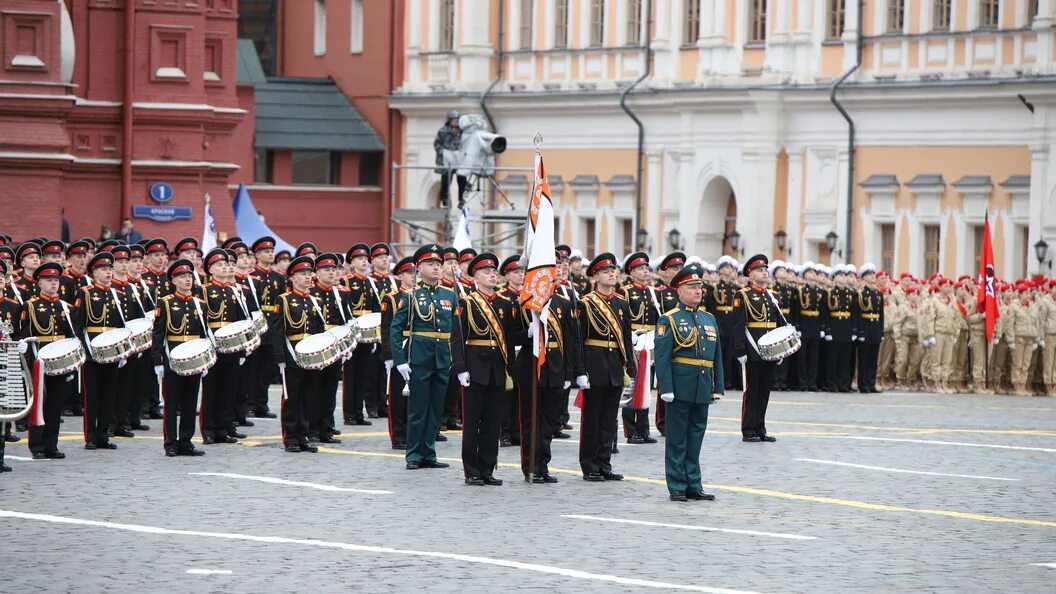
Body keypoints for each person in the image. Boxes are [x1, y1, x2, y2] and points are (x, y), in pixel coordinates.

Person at [390, 244, 465, 470]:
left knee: (435, 409)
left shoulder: (450, 295)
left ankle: (429, 453)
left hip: (442, 358)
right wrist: (400, 360)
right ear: (419, 268)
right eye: (430, 264)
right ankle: (413, 454)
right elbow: (395, 329)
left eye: (438, 264)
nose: (436, 267)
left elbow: (456, 330)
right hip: (420, 358)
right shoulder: (411, 295)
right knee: (418, 409)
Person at [654, 263, 722, 502]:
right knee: (677, 439)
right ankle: (677, 484)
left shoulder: (709, 319)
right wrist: (666, 387)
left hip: (701, 387)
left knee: (696, 437)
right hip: (679, 386)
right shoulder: (669, 319)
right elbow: (662, 357)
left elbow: (716, 357)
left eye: (699, 287)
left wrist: (717, 387)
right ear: (679, 291)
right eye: (691, 287)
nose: (697, 291)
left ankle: (694, 483)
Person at [458, 252, 517, 486]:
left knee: (493, 422)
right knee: (472, 422)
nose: (492, 275)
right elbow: (458, 336)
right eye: (486, 272)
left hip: (498, 368)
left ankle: (488, 467)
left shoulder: (504, 304)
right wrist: (460, 366)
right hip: (475, 366)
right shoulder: (467, 302)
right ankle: (472, 469)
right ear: (475, 277)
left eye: (494, 271)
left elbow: (510, 339)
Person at [577, 253, 635, 482]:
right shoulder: (586, 303)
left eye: (614, 270)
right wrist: (580, 369)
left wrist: (629, 363)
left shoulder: (621, 304)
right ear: (595, 276)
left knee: (610, 419)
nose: (611, 274)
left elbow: (626, 337)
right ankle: (589, 464)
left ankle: (604, 463)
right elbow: (579, 339)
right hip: (594, 363)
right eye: (605, 271)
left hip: (614, 366)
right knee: (592, 418)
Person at [18, 262, 77, 460]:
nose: (53, 283)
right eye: (48, 280)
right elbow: (25, 336)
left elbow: (71, 336)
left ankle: (52, 445)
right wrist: (30, 363)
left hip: (59, 361)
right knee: (39, 404)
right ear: (39, 283)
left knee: (55, 404)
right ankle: (37, 445)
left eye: (55, 280)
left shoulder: (65, 307)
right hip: (40, 360)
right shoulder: (31, 306)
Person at [152, 259, 208, 457]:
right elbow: (158, 334)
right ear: (173, 280)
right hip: (172, 358)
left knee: (190, 402)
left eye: (189, 276)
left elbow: (204, 334)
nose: (187, 280)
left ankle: (186, 441)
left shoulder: (199, 304)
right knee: (172, 403)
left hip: (194, 357)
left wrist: (206, 358)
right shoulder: (165, 303)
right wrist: (158, 361)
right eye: (182, 276)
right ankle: (170, 443)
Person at [732, 254, 791, 443]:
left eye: (766, 270)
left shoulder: (773, 296)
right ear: (750, 275)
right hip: (752, 350)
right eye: (760, 270)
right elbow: (738, 325)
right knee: (751, 391)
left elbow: (779, 323)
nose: (764, 273)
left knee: (764, 391)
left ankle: (760, 427)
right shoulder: (743, 295)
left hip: (769, 352)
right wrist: (740, 350)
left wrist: (781, 348)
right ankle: (748, 429)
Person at [75, 251, 125, 450]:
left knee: (108, 395)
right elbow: (79, 325)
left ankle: (103, 434)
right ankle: (91, 436)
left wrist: (122, 350)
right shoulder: (85, 293)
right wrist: (84, 351)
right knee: (92, 396)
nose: (109, 272)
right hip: (92, 351)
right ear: (94, 273)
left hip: (111, 351)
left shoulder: (115, 293)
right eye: (104, 269)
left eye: (110, 269)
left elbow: (120, 324)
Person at [273, 255, 323, 453]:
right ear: (293, 277)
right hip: (291, 354)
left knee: (308, 396)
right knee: (291, 397)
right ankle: (291, 437)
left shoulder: (314, 300)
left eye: (309, 273)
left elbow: (319, 329)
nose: (308, 277)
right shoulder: (283, 300)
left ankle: (304, 436)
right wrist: (280, 358)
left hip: (310, 355)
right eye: (303, 274)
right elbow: (278, 330)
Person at [198, 249, 246, 445]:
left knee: (228, 389)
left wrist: (242, 348)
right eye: (220, 264)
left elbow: (241, 320)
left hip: (232, 346)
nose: (225, 267)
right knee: (211, 390)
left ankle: (223, 428)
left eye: (226, 264)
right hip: (212, 345)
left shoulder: (235, 290)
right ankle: (208, 429)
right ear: (210, 269)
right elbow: (199, 320)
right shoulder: (203, 290)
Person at [619, 251, 661, 445]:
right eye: (641, 269)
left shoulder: (653, 292)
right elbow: (622, 318)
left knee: (645, 385)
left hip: (650, 340)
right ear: (632, 272)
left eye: (647, 268)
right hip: (634, 339)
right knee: (632, 386)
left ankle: (643, 429)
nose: (646, 271)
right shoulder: (626, 291)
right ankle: (631, 430)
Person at [310, 252, 351, 444]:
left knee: (329, 389)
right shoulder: (310, 293)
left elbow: (347, 320)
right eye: (327, 269)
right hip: (316, 344)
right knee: (313, 388)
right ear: (317, 272)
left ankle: (326, 428)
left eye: (334, 269)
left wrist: (348, 344)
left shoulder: (342, 293)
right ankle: (311, 428)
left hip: (335, 345)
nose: (332, 273)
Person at [380, 256, 417, 449]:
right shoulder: (392, 298)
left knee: (416, 393)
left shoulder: (422, 295)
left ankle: (414, 433)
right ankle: (399, 435)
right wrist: (389, 355)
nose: (413, 277)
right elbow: (386, 328)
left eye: (415, 273)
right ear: (400, 276)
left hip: (418, 346)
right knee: (398, 394)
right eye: (409, 273)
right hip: (399, 347)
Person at [248, 237, 284, 419]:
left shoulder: (279, 277)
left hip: (272, 327)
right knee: (252, 368)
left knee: (266, 370)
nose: (270, 254)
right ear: (257, 255)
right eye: (266, 251)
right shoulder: (251, 277)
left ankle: (262, 404)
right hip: (256, 325)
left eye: (271, 251)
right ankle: (250, 404)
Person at [342, 242, 374, 426]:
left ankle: (359, 413)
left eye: (365, 259)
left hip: (367, 331)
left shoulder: (371, 282)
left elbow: (376, 308)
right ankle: (349, 413)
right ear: (352, 263)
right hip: (353, 330)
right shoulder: (346, 281)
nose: (364, 262)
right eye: (359, 259)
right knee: (351, 374)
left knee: (364, 374)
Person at [856, 264, 884, 393]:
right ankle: (863, 384)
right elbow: (858, 314)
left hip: (875, 328)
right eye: (870, 274)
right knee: (864, 358)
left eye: (873, 274)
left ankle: (871, 383)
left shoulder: (878, 294)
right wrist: (860, 331)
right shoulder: (861, 294)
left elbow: (881, 314)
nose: (873, 276)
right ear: (864, 277)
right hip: (865, 327)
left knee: (873, 358)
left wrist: (881, 331)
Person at [434, 111, 467, 208]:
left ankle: (462, 200)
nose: (456, 121)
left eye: (457, 119)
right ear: (449, 120)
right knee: (446, 180)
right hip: (447, 159)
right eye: (454, 119)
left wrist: (463, 152)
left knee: (462, 179)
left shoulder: (463, 132)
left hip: (459, 159)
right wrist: (443, 152)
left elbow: (466, 143)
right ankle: (444, 200)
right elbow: (437, 144)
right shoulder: (443, 131)